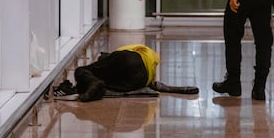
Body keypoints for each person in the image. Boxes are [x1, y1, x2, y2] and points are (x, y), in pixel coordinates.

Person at [52, 43, 199, 102]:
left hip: (130, 62)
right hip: (138, 80)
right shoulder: (148, 54)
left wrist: (104, 60)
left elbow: (117, 56)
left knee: (81, 70)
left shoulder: (121, 53)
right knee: (107, 81)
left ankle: (93, 83)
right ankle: (95, 84)